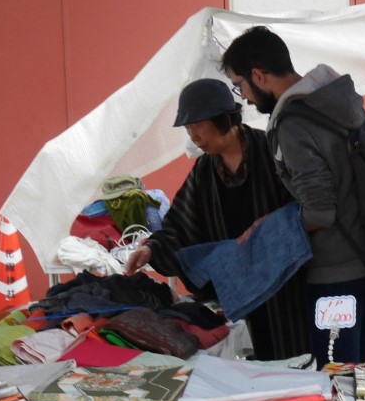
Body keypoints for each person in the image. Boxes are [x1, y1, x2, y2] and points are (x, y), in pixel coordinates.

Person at [220, 26, 365, 368]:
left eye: (240, 85)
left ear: (259, 75)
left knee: (337, 374)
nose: (244, 97)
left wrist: (270, 225)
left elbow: (320, 212)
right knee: (363, 371)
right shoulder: (335, 102)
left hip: (336, 274)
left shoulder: (294, 124)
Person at [124, 78, 309, 362]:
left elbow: (306, 202)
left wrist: (271, 225)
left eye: (197, 125)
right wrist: (150, 249)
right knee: (263, 363)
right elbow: (178, 225)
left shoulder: (272, 150)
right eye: (188, 129)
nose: (193, 136)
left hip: (289, 285)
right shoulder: (204, 171)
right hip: (245, 287)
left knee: (299, 356)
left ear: (222, 118)